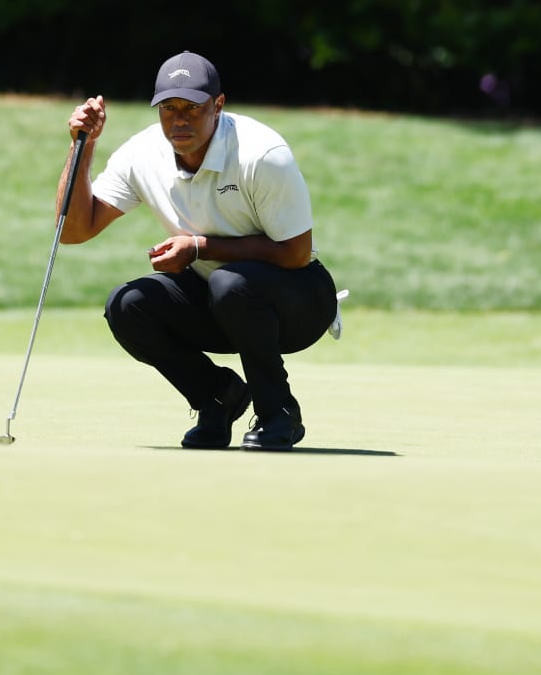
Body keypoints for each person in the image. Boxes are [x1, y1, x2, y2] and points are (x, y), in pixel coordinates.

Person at [57, 50, 339, 450]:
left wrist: (198, 247)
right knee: (128, 303)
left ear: (218, 105)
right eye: (169, 108)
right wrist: (83, 147)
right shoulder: (142, 154)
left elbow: (295, 253)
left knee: (230, 283)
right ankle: (217, 397)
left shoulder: (261, 154)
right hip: (218, 299)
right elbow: (72, 231)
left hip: (299, 302)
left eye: (193, 107)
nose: (180, 119)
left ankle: (279, 413)